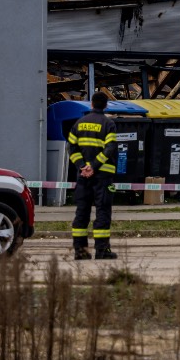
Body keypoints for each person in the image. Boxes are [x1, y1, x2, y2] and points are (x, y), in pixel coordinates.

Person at [68, 91, 119, 260]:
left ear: (91, 104)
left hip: (83, 176)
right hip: (103, 176)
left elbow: (72, 148)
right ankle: (102, 250)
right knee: (103, 211)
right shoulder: (108, 124)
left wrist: (82, 166)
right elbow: (110, 148)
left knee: (82, 212)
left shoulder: (79, 123)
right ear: (106, 105)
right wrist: (94, 166)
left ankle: (80, 251)